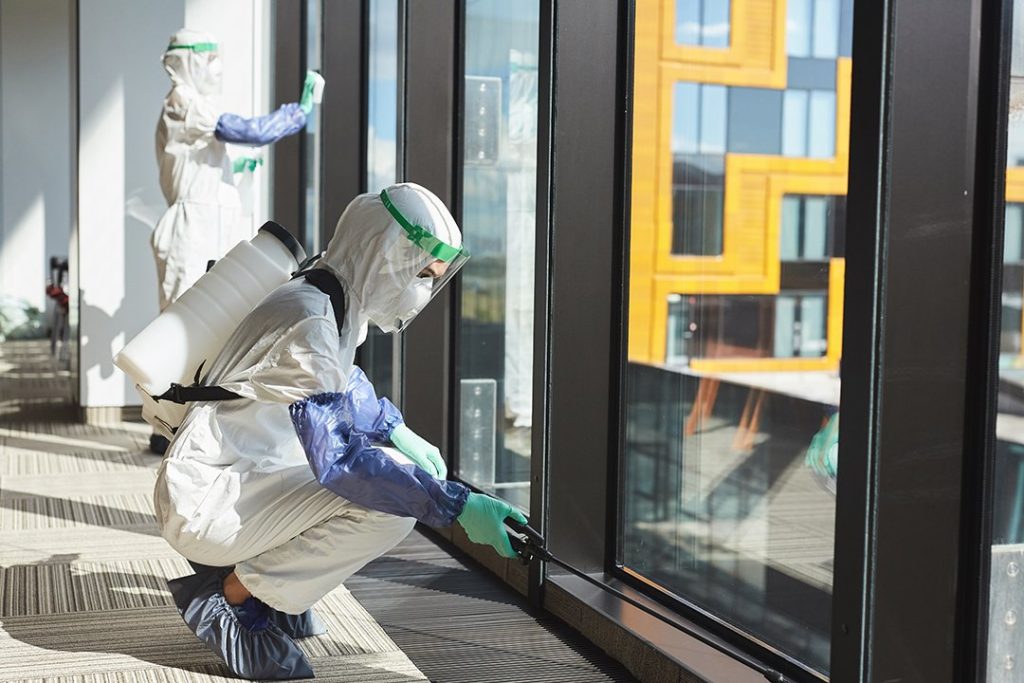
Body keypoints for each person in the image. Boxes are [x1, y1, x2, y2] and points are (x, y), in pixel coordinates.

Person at [155, 183, 526, 680]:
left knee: (393, 480)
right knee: (387, 509)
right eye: (420, 272)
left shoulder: (326, 293)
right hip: (208, 500)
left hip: (239, 473)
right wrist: (454, 504)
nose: (421, 288)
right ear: (382, 254)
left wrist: (396, 431)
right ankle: (232, 599)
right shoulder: (309, 321)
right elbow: (341, 464)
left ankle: (269, 585)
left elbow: (345, 384)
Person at [150, 28, 322, 455]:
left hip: (209, 228)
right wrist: (294, 114)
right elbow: (244, 129)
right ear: (187, 61)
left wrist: (236, 166)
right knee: (179, 329)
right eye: (209, 58)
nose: (216, 68)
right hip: (190, 230)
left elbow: (206, 159)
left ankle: (186, 423)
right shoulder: (182, 101)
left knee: (215, 327)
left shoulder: (195, 106)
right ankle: (162, 424)